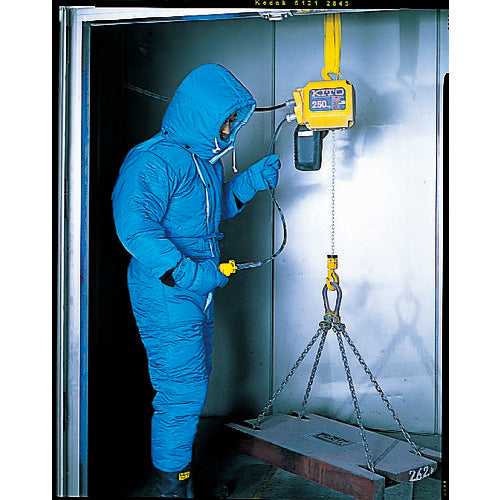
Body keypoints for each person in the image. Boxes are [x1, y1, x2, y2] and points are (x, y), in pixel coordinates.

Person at [112, 63, 281, 498]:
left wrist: (250, 180)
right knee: (181, 391)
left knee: (193, 382)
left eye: (233, 122)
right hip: (168, 291)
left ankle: (182, 478)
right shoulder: (153, 160)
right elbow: (135, 227)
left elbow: (211, 210)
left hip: (196, 290)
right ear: (199, 113)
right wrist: (189, 273)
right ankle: (170, 487)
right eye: (224, 120)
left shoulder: (203, 164)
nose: (228, 130)